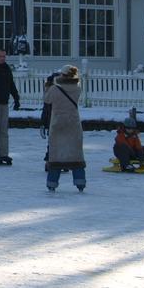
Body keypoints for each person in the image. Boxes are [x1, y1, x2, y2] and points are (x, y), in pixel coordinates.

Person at [43, 64, 85, 192]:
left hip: (58, 123)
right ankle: (80, 182)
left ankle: (52, 183)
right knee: (75, 155)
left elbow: (47, 100)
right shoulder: (77, 89)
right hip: (74, 123)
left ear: (63, 75)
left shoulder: (55, 89)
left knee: (56, 155)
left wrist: (48, 85)